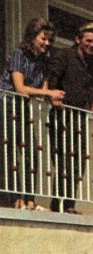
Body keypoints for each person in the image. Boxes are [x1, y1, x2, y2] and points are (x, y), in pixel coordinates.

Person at [0, 18, 64, 210]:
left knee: (32, 153)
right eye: (43, 38)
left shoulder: (44, 62)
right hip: (6, 105)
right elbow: (20, 88)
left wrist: (52, 98)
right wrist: (49, 93)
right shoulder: (19, 55)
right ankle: (14, 199)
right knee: (9, 153)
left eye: (50, 40)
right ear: (32, 36)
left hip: (23, 109)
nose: (47, 43)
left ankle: (29, 200)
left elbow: (42, 92)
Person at [48, 21, 93, 214]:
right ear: (78, 39)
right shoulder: (64, 55)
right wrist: (52, 96)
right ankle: (57, 205)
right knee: (63, 160)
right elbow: (52, 79)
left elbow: (90, 87)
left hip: (79, 115)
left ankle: (70, 205)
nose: (92, 45)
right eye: (88, 41)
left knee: (78, 160)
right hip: (61, 113)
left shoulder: (92, 63)